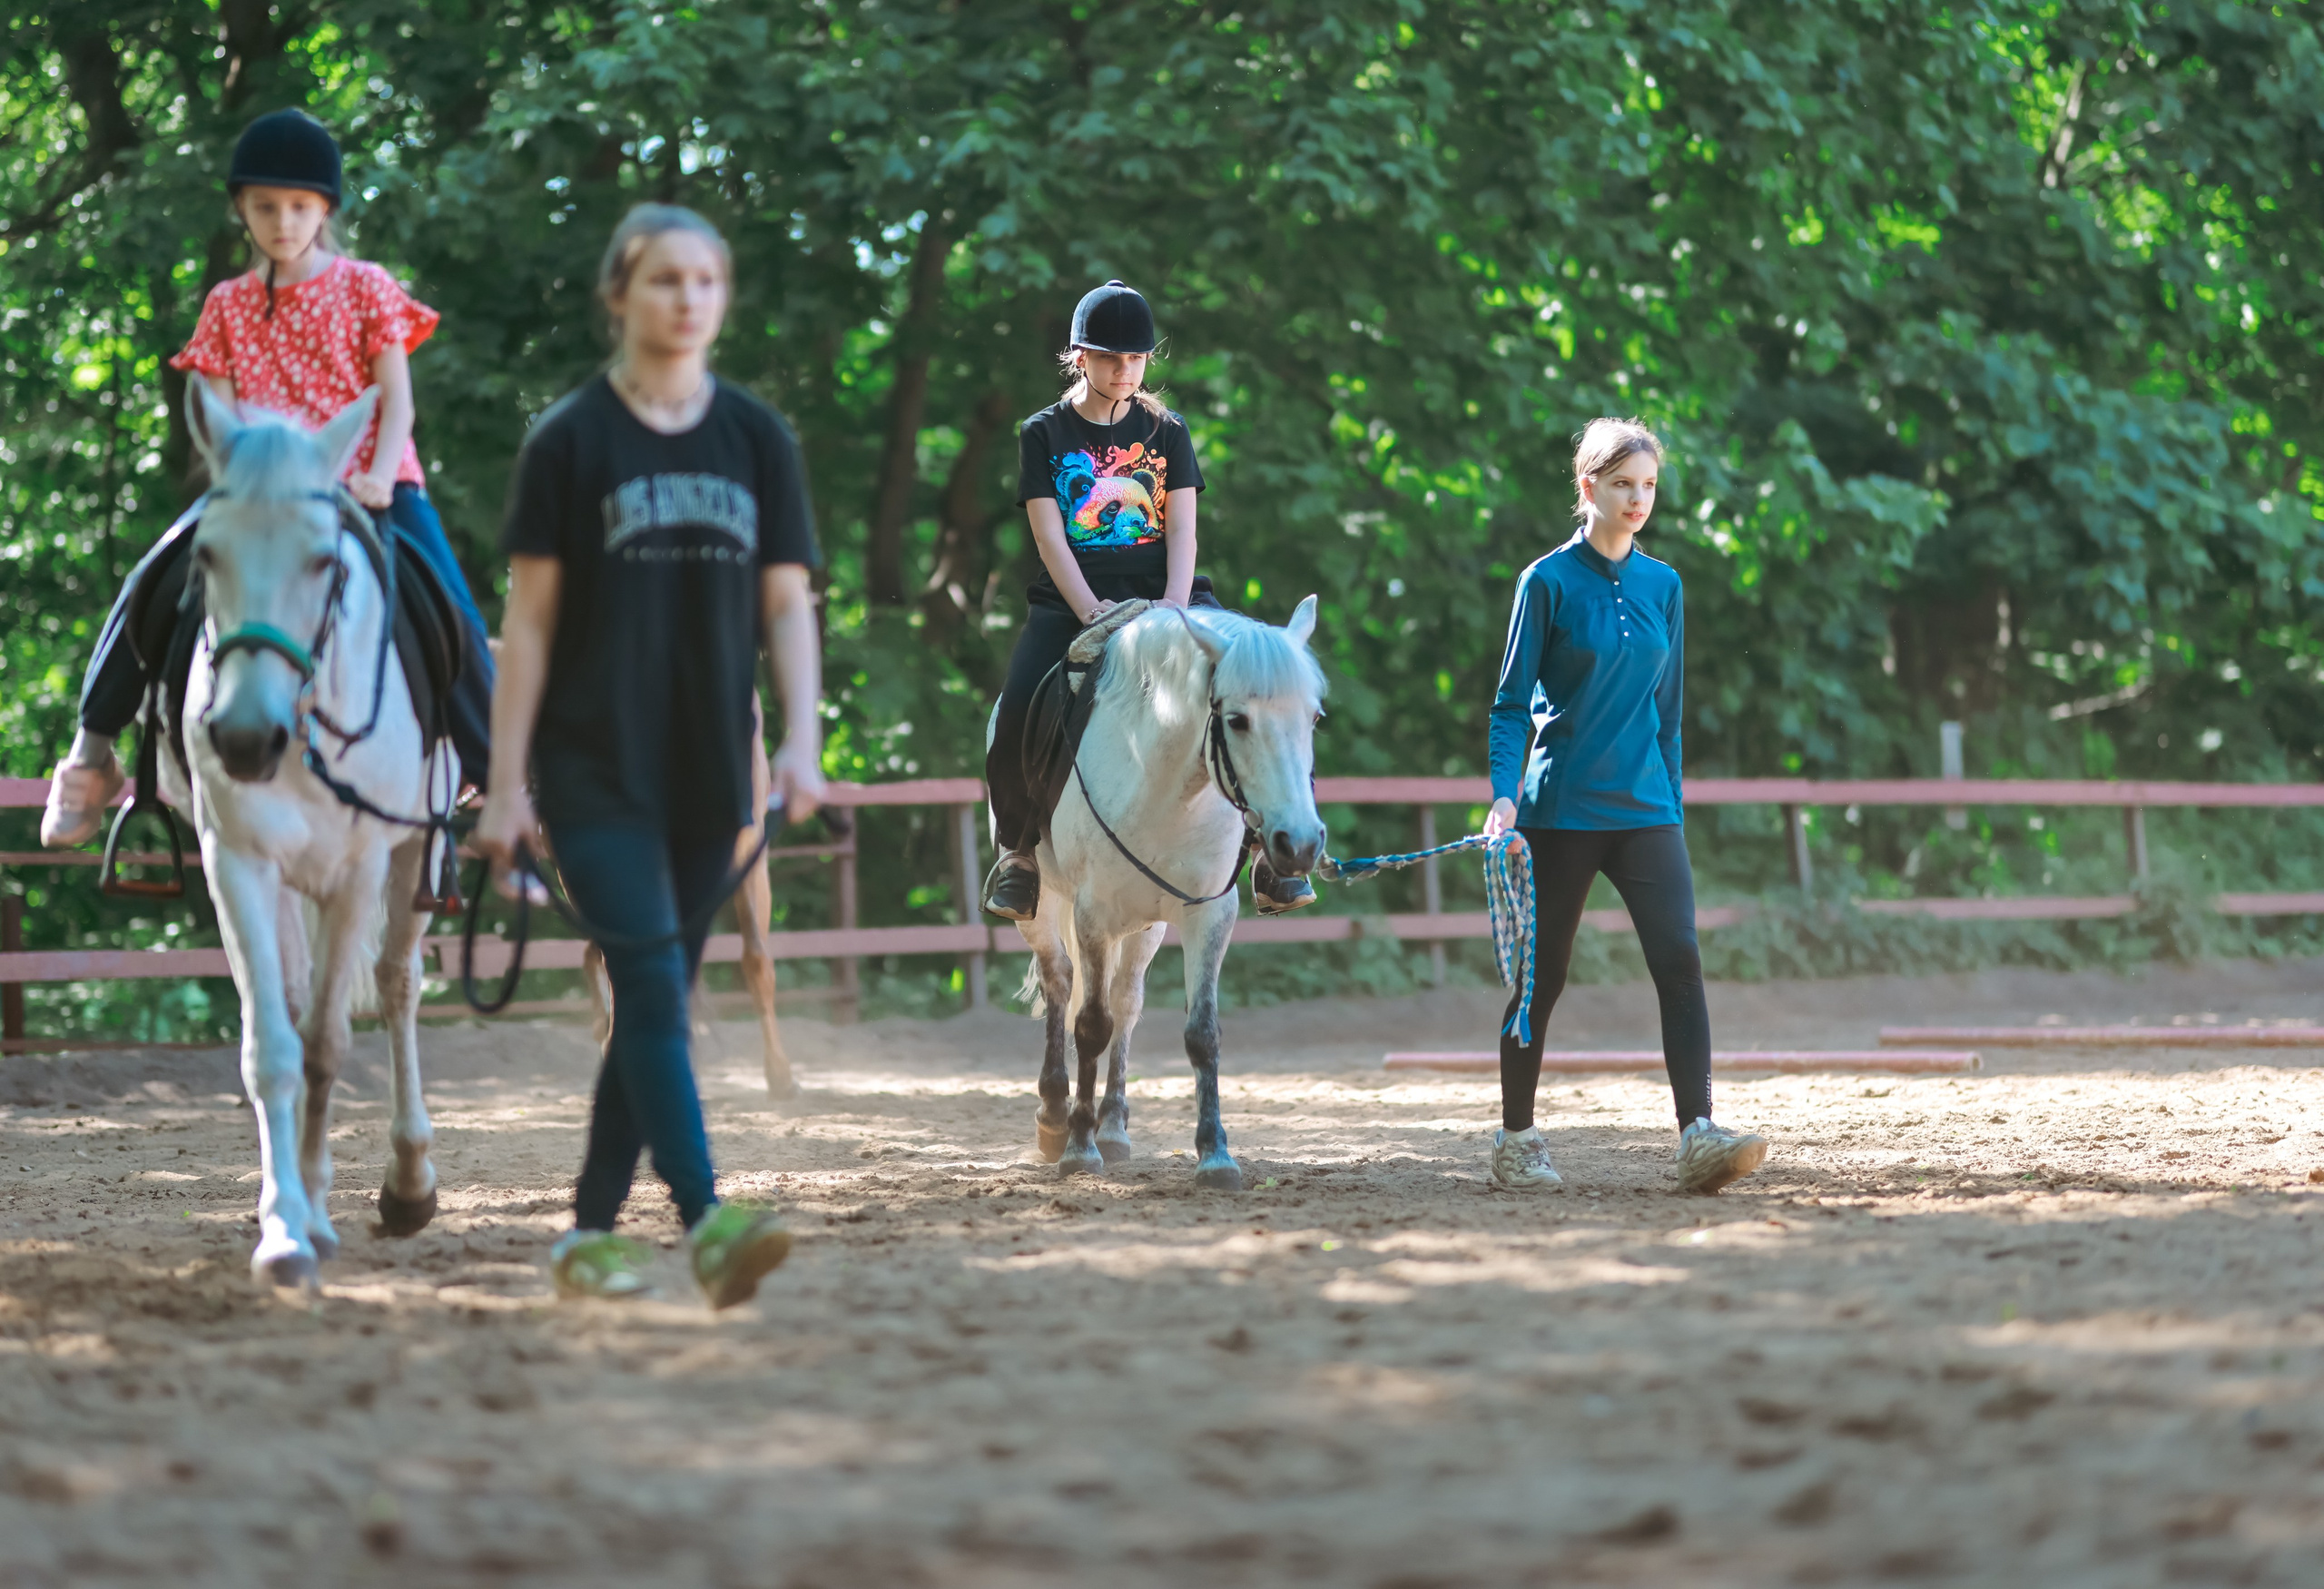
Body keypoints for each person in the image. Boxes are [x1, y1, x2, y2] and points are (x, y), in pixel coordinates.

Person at [471, 203, 822, 1308]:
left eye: (707, 281)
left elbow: (787, 602)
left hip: (708, 768)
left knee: (649, 991)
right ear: (619, 294)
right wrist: (504, 781)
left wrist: (803, 739)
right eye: (665, 279)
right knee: (659, 992)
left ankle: (585, 1235)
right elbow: (526, 625)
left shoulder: (757, 438)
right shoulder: (569, 440)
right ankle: (709, 1221)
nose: (687, 299)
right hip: (592, 768)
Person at [38, 108, 495, 846]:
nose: (283, 222)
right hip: (256, 494)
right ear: (242, 212)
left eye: (300, 207)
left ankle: (500, 781)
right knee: (149, 582)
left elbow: (395, 399)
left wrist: (379, 476)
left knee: (452, 608)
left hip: (373, 485)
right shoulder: (227, 303)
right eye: (265, 207)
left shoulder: (367, 288)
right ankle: (91, 758)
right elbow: (217, 417)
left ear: (325, 211)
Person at [1481, 419, 1768, 1196]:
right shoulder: (1546, 581)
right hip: (1559, 810)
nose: (1638, 499)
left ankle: (1698, 1133)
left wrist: (1669, 802)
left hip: (1645, 810)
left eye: (1647, 486)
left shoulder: (1664, 586)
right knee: (1543, 979)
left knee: (1680, 959)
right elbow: (1509, 705)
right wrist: (1505, 797)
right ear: (1588, 489)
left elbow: (1667, 709)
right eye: (1621, 485)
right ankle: (1516, 1140)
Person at [981, 279, 1314, 921]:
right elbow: (1050, 534)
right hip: (1074, 598)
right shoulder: (1043, 434)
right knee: (1021, 700)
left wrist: (1175, 606)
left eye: (1135, 359)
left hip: (1170, 593)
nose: (1125, 370)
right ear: (1081, 356)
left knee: (1268, 679)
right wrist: (1084, 611)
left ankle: (1273, 859)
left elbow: (1183, 527)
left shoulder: (1167, 430)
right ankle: (1018, 854)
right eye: (1110, 358)